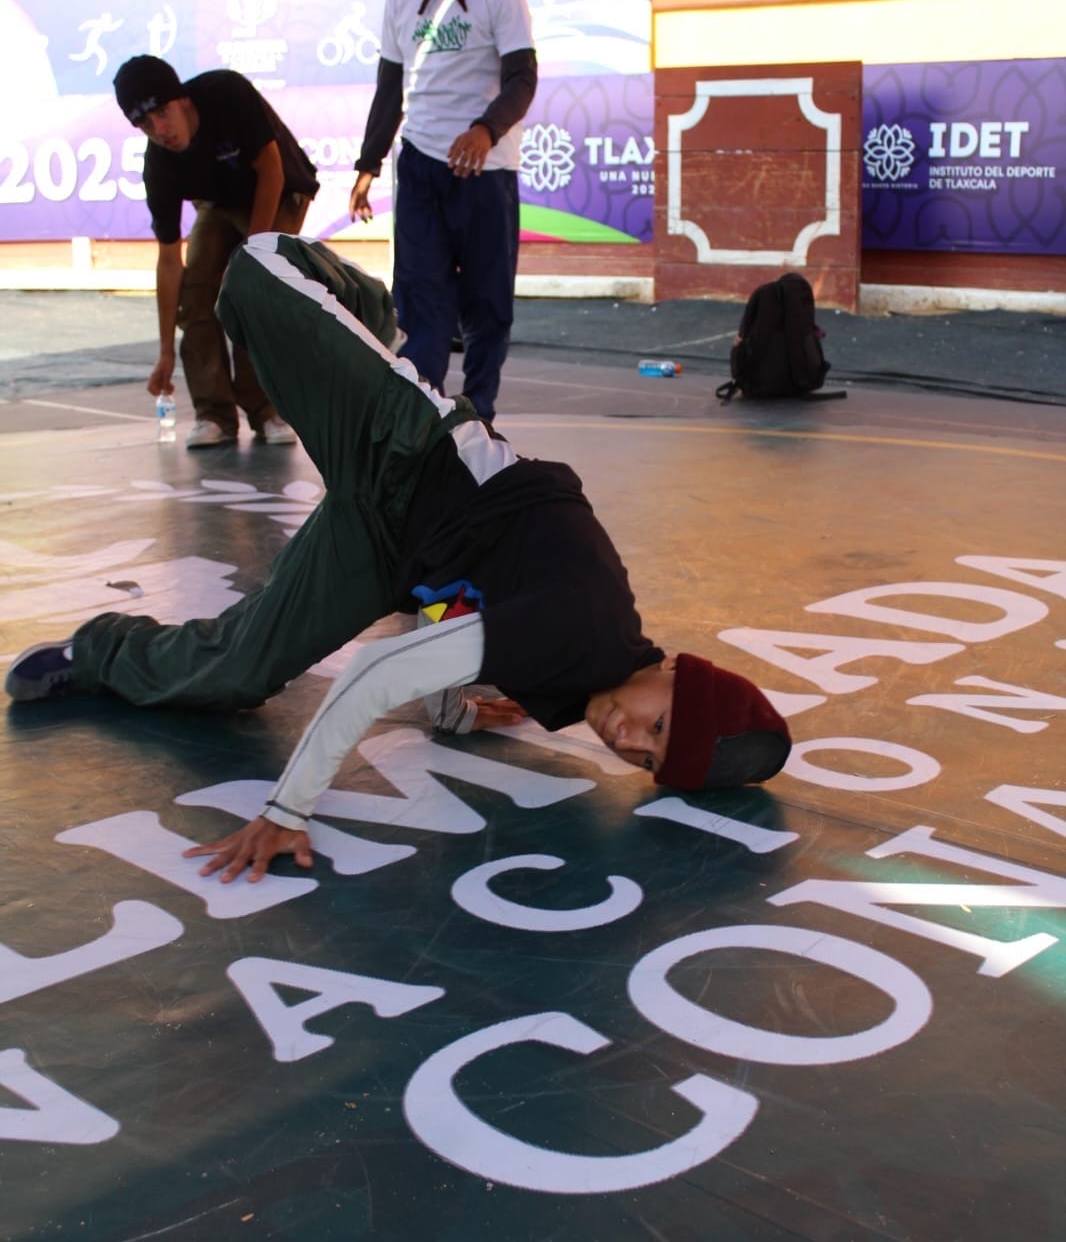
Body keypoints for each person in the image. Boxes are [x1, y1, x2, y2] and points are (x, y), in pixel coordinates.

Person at [4, 233, 792, 884]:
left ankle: (95, 651)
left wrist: (452, 704)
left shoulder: (581, 677)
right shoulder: (583, 629)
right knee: (249, 278)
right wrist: (287, 812)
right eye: (658, 722)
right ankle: (364, 309)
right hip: (404, 448)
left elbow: (464, 585)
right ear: (675, 669)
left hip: (388, 548)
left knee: (239, 673)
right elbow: (375, 673)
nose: (628, 738)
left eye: (648, 758)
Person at [349, 0, 537, 423]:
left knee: (486, 304)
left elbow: (522, 80)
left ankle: (478, 416)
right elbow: (390, 86)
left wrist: (486, 129)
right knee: (420, 303)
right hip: (421, 168)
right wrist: (368, 164)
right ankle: (422, 420)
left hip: (485, 172)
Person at [113, 54, 319, 450]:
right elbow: (169, 261)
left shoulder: (226, 92)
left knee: (252, 289)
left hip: (279, 190)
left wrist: (252, 260)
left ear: (182, 99)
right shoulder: (159, 165)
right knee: (196, 288)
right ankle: (214, 414)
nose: (160, 130)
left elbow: (272, 170)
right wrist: (164, 352)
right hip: (219, 202)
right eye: (145, 124)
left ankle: (266, 409)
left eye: (162, 113)